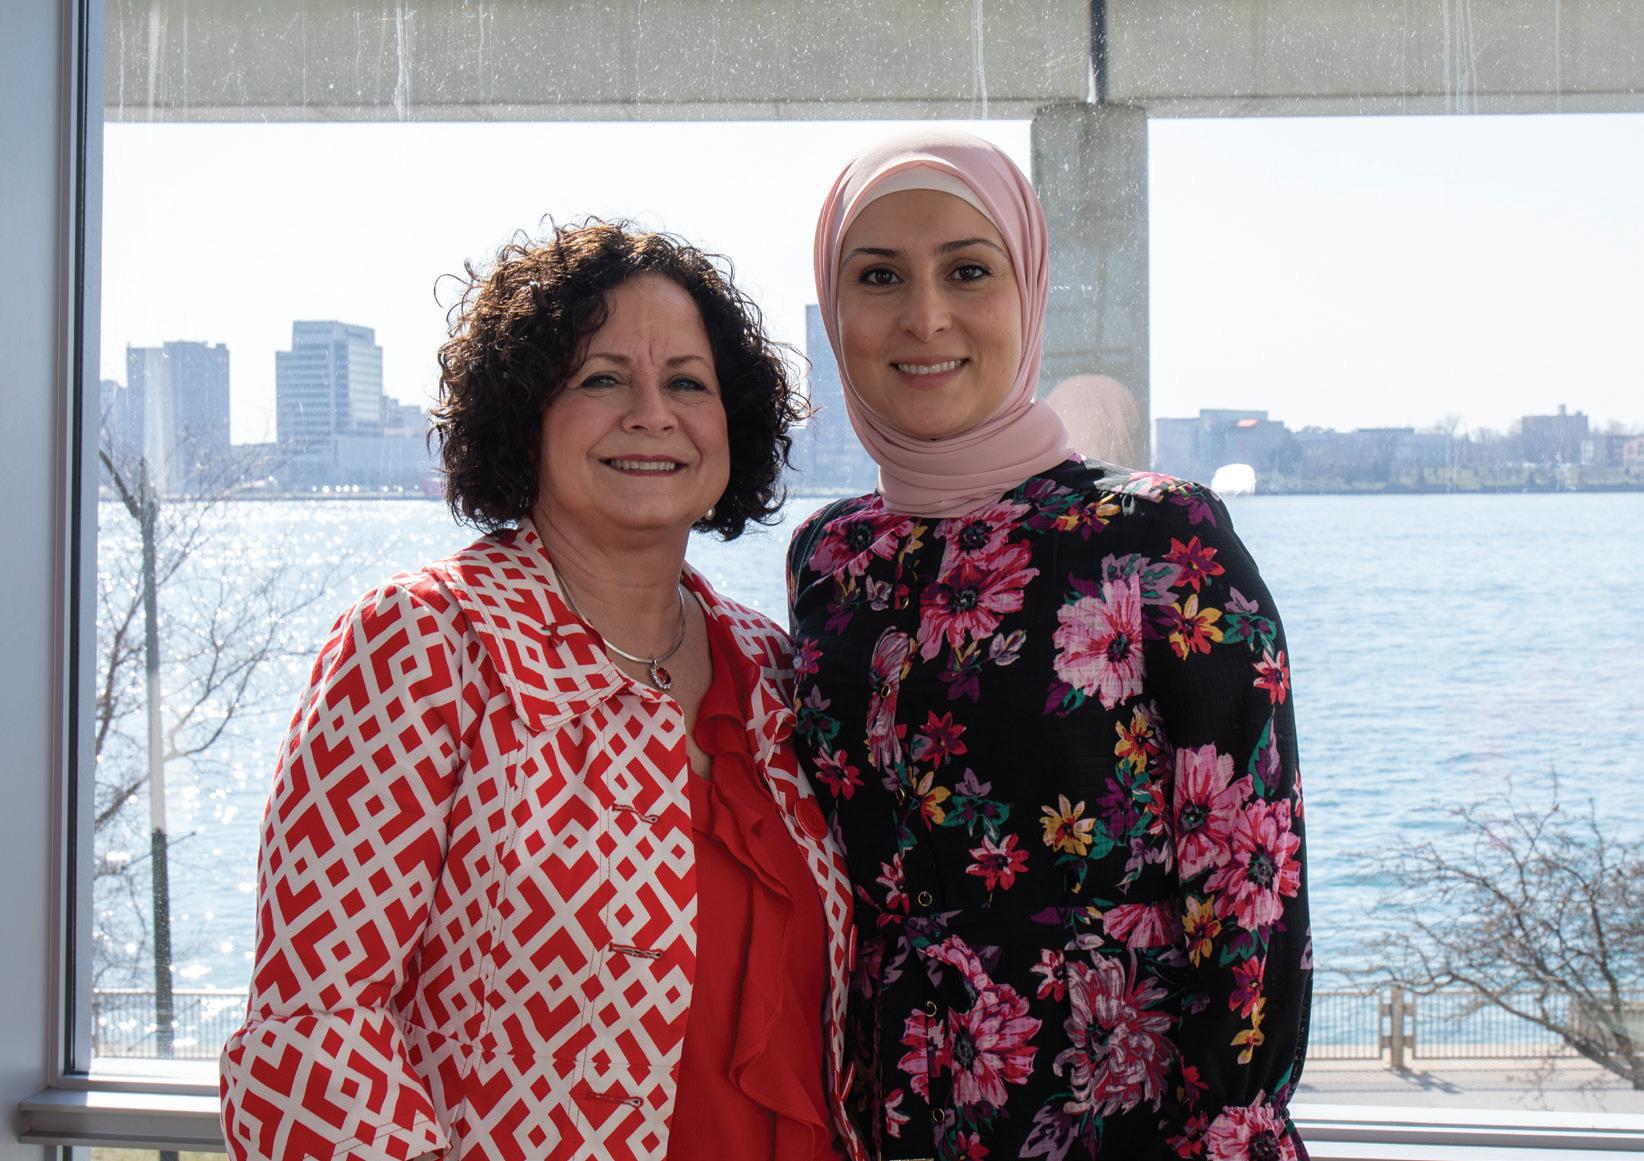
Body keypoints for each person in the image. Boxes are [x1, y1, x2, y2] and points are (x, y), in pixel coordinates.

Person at [221, 222, 863, 1161]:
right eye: (602, 379)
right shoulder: (425, 642)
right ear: (524, 412)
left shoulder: (768, 667)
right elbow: (312, 1031)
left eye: (689, 383)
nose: (652, 413)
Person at [787, 131, 1311, 1161]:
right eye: (878, 276)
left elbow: (1252, 877)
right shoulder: (831, 558)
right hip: (890, 1119)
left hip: (1128, 1124)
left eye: (967, 271)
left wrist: (1227, 1124)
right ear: (833, 310)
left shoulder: (1158, 534)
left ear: (1027, 293)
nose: (924, 316)